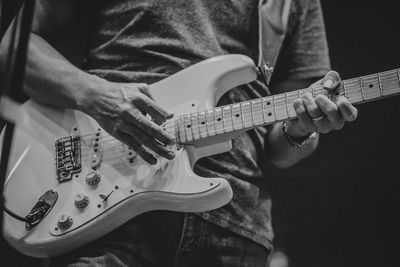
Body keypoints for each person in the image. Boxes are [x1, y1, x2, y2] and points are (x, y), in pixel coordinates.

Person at [0, 0, 358, 266]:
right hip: (110, 207)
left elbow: (280, 148)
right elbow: (17, 50)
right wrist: (98, 95)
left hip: (237, 230)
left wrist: (301, 129)